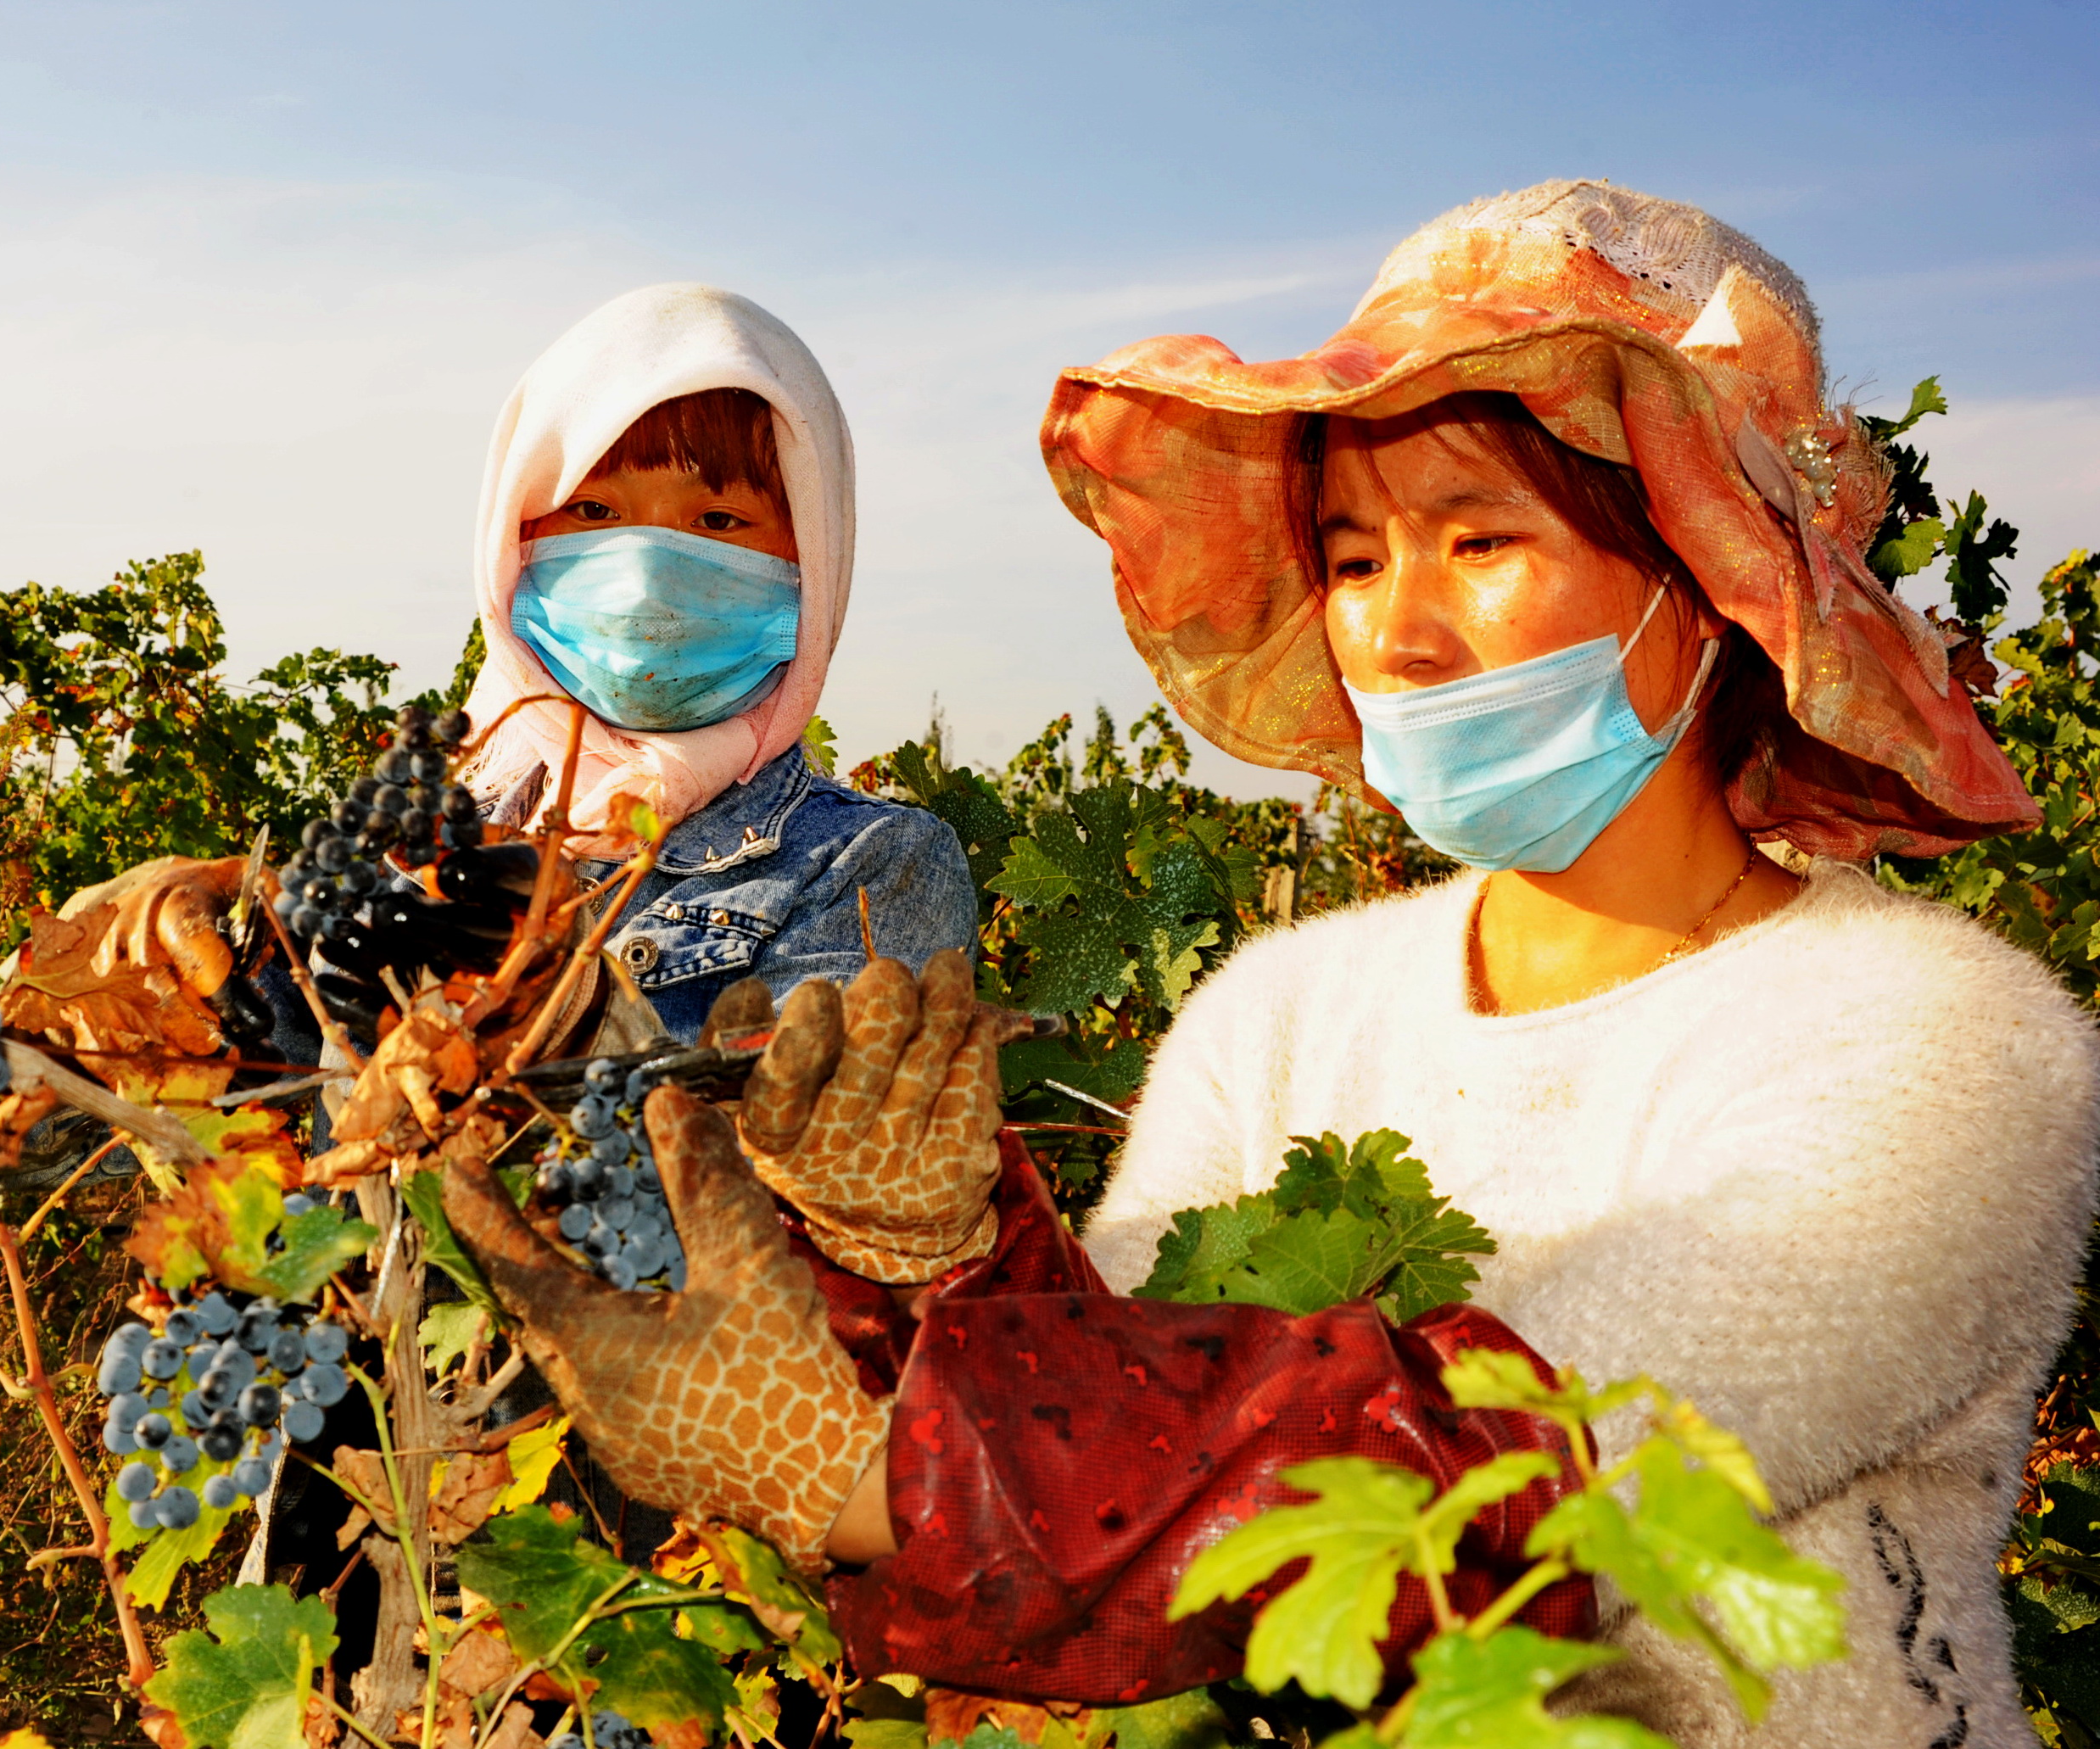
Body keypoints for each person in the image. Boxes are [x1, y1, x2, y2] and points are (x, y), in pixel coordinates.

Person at [443, 182, 2100, 1749]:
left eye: (1476, 539)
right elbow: (1103, 1458)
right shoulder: (1280, 1014)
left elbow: (1480, 1470)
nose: (1396, 627)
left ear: (1707, 584)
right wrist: (937, 1250)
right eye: (1357, 556)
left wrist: (871, 1465)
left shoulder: (1943, 1043)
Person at [454, 282, 977, 1046]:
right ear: (514, 536)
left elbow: (764, 1146)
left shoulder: (867, 864)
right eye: (594, 511)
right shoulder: (426, 827)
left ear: (814, 562)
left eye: (719, 521)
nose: (646, 580)